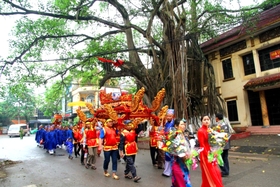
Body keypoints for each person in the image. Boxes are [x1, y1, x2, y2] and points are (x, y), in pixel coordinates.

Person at [197, 115, 224, 187]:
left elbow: (214, 142)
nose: (206, 121)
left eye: (208, 119)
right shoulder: (200, 131)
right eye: (204, 119)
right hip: (205, 155)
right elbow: (202, 145)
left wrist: (217, 150)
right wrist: (209, 155)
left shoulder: (210, 130)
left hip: (212, 153)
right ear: (202, 121)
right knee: (210, 173)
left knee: (216, 172)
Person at [171, 118, 192, 187]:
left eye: (184, 124)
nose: (184, 126)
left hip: (185, 164)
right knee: (183, 183)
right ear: (176, 126)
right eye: (181, 124)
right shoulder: (174, 137)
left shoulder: (185, 136)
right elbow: (173, 150)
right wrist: (182, 156)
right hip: (178, 165)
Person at [215, 113, 231, 177]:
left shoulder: (219, 125)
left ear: (217, 118)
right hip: (226, 145)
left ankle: (224, 171)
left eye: (215, 117)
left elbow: (220, 135)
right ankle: (226, 170)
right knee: (225, 158)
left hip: (221, 145)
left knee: (220, 158)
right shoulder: (226, 124)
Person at [162, 109, 175, 177]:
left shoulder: (174, 123)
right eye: (167, 116)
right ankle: (166, 171)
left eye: (170, 116)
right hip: (167, 142)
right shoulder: (166, 123)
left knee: (171, 157)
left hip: (172, 142)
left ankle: (170, 171)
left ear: (173, 116)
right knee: (167, 156)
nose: (168, 117)